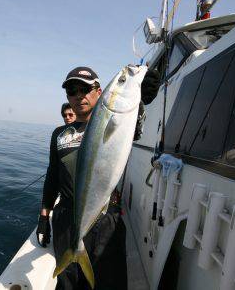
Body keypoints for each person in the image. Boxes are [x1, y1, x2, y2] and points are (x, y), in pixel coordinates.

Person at [36, 66, 160, 290]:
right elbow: (52, 177)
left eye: (84, 88)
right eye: (72, 91)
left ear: (99, 91)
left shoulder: (120, 120)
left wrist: (141, 99)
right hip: (66, 219)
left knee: (108, 282)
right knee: (68, 283)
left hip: (106, 218)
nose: (78, 95)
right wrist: (44, 217)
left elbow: (133, 126)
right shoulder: (60, 134)